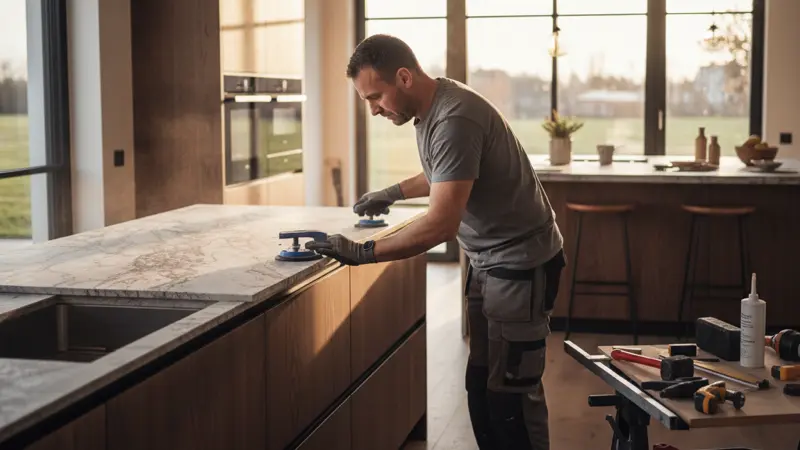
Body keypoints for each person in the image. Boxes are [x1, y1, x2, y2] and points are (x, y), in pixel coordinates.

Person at [306, 34, 566, 450]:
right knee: (481, 382)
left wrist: (363, 252)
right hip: (488, 260)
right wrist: (392, 192)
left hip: (521, 264)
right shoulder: (431, 109)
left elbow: (440, 226)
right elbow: (449, 172)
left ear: (404, 77)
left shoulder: (454, 118)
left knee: (512, 393)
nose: (372, 109)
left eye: (375, 96)